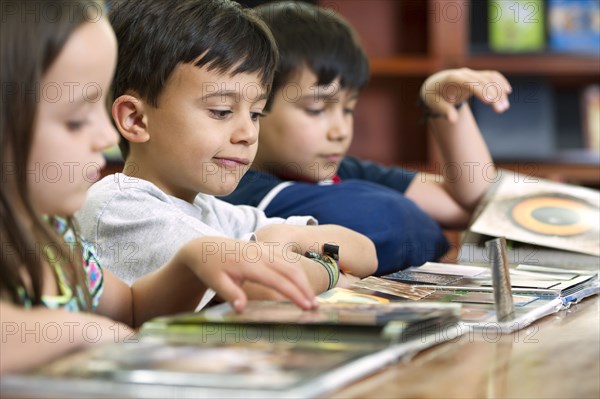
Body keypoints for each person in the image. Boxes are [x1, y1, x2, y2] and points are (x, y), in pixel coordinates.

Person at [0, 0, 322, 374]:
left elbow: (133, 309)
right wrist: (86, 334)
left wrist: (191, 262)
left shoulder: (58, 241)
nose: (105, 135)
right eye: (75, 120)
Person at [75, 0, 378, 306]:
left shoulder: (210, 209)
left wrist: (293, 239)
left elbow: (365, 252)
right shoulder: (121, 207)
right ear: (136, 120)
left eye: (256, 114)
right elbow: (263, 287)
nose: (248, 133)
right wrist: (330, 269)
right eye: (221, 111)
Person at [222, 1, 512, 275]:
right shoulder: (238, 191)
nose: (341, 130)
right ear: (257, 105)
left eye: (348, 109)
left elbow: (477, 202)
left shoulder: (343, 171)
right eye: (316, 109)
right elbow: (385, 219)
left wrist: (444, 105)